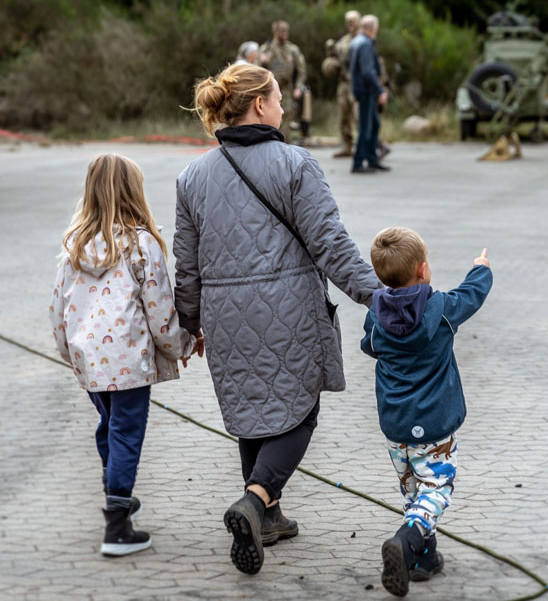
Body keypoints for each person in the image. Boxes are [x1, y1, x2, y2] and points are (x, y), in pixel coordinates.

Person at [176, 62, 382, 574]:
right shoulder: (295, 163)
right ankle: (256, 497)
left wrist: (188, 322)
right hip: (287, 306)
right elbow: (331, 245)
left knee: (253, 405)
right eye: (279, 96)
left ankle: (267, 518)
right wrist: (383, 298)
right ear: (260, 105)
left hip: (225, 315)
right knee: (300, 407)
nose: (286, 104)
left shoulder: (191, 176)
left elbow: (186, 263)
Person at [49, 154, 203, 557]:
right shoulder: (141, 244)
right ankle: (117, 526)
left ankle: (116, 497)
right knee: (125, 433)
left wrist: (72, 355)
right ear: (134, 192)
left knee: (109, 427)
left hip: (91, 362)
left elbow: (58, 312)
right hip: (129, 362)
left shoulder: (73, 246)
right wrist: (182, 344)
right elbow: (159, 309)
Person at [360, 228, 492, 597]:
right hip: (434, 426)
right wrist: (481, 268)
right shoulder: (441, 310)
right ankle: (405, 542)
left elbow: (368, 346)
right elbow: (472, 296)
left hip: (396, 425)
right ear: (422, 270)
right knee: (437, 489)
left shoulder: (376, 315)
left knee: (414, 491)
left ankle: (422, 559)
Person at [349, 14, 391, 174]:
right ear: (373, 28)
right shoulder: (365, 44)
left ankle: (373, 159)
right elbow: (367, 71)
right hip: (366, 91)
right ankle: (358, 162)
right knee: (365, 127)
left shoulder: (355, 42)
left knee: (375, 125)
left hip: (360, 89)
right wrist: (380, 90)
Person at [258, 20, 307, 144]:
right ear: (275, 31)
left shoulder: (292, 49)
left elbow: (301, 70)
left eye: (287, 30)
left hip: (286, 90)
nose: (285, 33)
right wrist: (263, 62)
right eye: (282, 31)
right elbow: (256, 71)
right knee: (269, 119)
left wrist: (298, 87)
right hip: (269, 90)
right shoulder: (266, 49)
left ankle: (285, 146)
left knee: (286, 119)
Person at [326, 10, 361, 158]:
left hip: (357, 84)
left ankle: (365, 146)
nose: (350, 24)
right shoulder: (344, 41)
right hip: (343, 84)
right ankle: (347, 145)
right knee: (343, 116)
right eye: (348, 22)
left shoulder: (362, 40)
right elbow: (333, 58)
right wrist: (330, 48)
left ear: (359, 21)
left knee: (358, 116)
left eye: (353, 21)